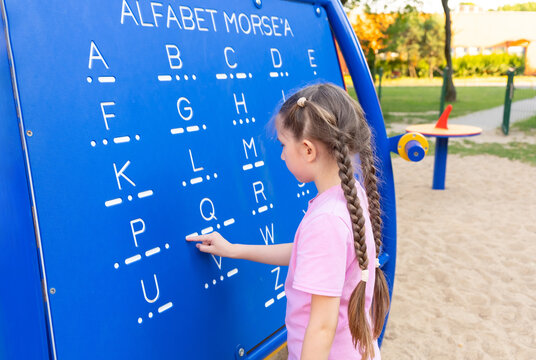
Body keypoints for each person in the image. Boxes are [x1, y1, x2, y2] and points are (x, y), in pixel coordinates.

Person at [186, 83, 390, 360]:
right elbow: (305, 254)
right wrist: (234, 249)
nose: (281, 155)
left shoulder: (327, 220)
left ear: (308, 150)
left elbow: (322, 326)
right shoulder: (350, 196)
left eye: (283, 145)